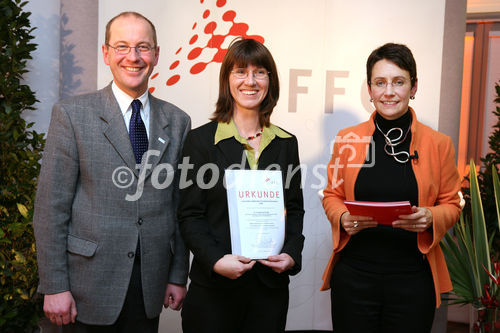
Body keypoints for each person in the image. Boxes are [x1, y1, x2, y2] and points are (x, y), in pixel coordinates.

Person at [33, 11, 191, 332]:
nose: (133, 57)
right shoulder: (72, 115)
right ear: (106, 53)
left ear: (156, 55)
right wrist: (54, 285)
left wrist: (177, 275)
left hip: (149, 285)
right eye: (121, 46)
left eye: (143, 47)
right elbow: (51, 208)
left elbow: (179, 207)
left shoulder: (178, 122)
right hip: (85, 286)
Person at [321, 43, 462, 333]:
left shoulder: (439, 144)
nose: (389, 91)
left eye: (399, 82)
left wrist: (431, 217)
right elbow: (332, 195)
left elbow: (452, 203)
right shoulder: (348, 138)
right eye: (380, 82)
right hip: (354, 277)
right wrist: (343, 218)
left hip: (413, 279)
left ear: (413, 87)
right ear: (370, 90)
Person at [177, 38, 305, 333]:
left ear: (270, 81)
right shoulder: (201, 142)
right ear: (227, 80)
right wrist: (216, 260)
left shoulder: (286, 143)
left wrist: (291, 254)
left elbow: (295, 210)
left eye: (260, 72)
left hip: (269, 292)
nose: (250, 81)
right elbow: (189, 215)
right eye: (240, 72)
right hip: (214, 291)